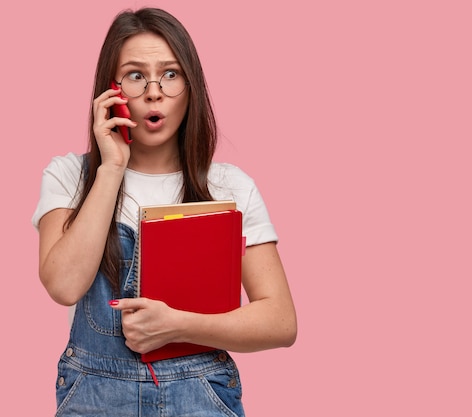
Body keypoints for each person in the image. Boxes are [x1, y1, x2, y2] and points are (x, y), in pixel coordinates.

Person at [31, 7, 297, 416]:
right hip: (94, 399)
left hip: (202, 396)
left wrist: (180, 325)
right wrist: (112, 168)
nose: (154, 92)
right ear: (112, 90)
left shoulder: (229, 186)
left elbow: (280, 321)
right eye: (136, 76)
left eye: (171, 74)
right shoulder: (70, 175)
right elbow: (64, 285)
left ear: (191, 87)